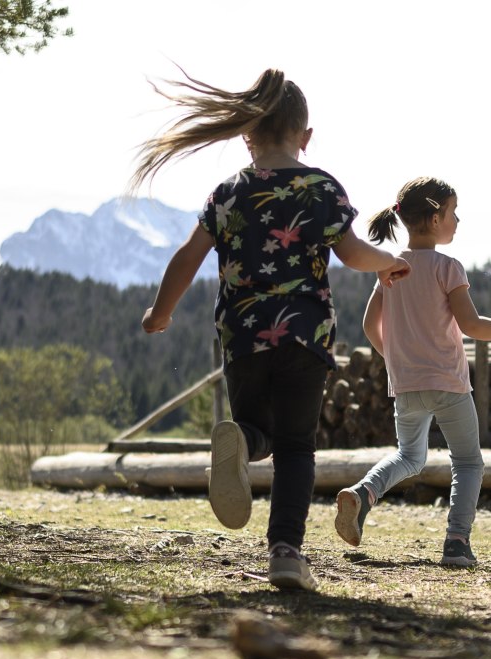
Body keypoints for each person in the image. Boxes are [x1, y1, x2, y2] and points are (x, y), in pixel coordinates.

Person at [133, 69, 410, 591]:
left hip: (242, 336)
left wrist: (159, 311)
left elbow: (188, 256)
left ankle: (241, 438)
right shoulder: (320, 187)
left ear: (247, 134)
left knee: (256, 431)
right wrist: (388, 262)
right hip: (305, 336)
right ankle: (285, 551)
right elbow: (351, 253)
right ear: (305, 137)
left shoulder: (229, 192)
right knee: (297, 446)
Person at [333, 177, 491, 568]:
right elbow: (471, 325)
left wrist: (394, 358)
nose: (457, 221)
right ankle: (457, 543)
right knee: (468, 462)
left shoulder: (391, 268)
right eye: (454, 213)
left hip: (405, 385)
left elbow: (369, 326)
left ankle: (363, 493)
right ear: (437, 216)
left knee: (409, 456)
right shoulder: (448, 268)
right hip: (449, 384)